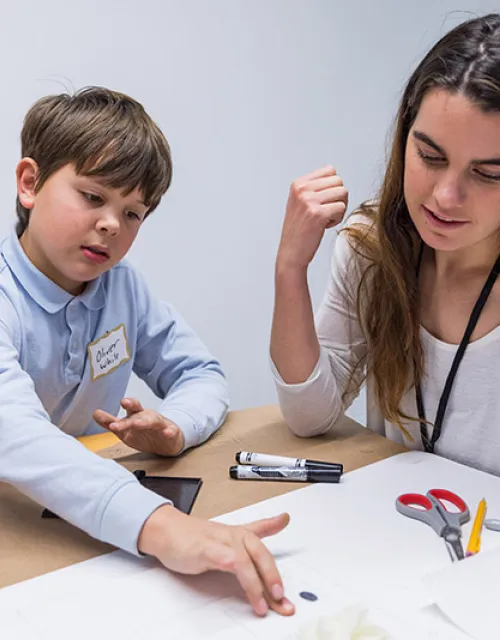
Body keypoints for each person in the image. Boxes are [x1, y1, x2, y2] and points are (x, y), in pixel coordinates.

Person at [0, 86, 294, 617]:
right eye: (93, 197)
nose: (113, 224)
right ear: (29, 183)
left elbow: (201, 373)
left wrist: (175, 426)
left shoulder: (123, 288)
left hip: (86, 528)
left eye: (133, 213)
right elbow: (17, 434)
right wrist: (164, 528)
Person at [271, 13, 500, 477]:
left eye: (488, 174)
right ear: (403, 136)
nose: (445, 197)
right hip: (394, 532)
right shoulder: (372, 248)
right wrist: (290, 268)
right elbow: (310, 417)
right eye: (430, 156)